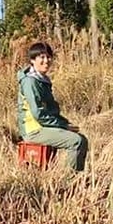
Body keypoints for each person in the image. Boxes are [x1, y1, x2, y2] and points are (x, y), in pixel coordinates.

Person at [16, 41, 88, 172]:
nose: (46, 61)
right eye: (41, 57)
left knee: (82, 139)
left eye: (48, 57)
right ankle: (69, 182)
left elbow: (51, 110)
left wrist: (65, 123)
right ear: (33, 60)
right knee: (76, 141)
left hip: (43, 127)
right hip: (34, 130)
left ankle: (77, 179)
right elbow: (38, 114)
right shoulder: (30, 81)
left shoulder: (43, 80)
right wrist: (63, 126)